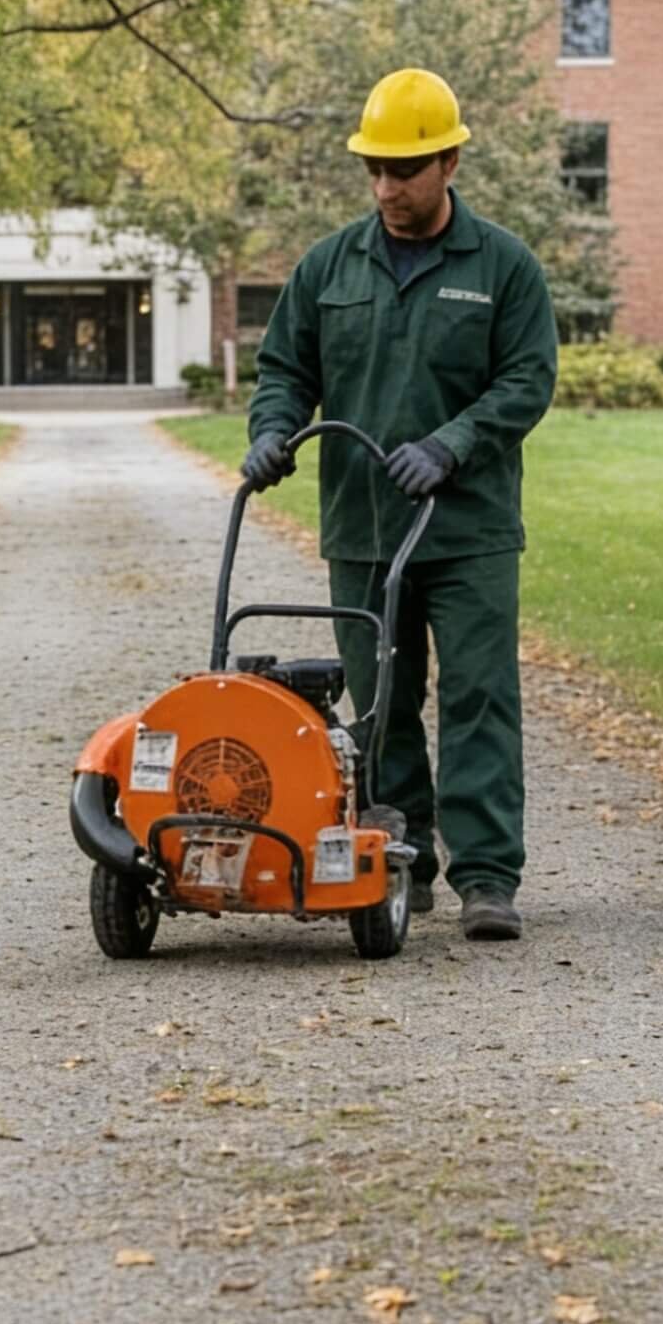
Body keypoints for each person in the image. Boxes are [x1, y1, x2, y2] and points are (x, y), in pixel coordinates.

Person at [242, 66, 557, 942]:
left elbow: (527, 379)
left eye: (405, 170)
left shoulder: (503, 268)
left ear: (449, 162)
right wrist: (272, 431)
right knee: (381, 703)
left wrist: (452, 444)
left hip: (469, 530)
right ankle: (399, 860)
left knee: (479, 696)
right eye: (375, 169)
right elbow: (285, 369)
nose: (387, 188)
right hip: (364, 525)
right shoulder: (327, 266)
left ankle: (487, 876)